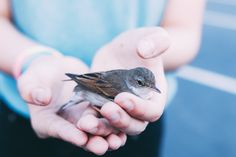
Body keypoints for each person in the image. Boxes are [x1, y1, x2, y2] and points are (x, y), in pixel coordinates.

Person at [0, 0, 205, 156]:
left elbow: (185, 29)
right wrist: (32, 59)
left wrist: (149, 50)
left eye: (151, 86)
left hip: (136, 131)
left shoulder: (135, 93)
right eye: (144, 84)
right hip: (23, 113)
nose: (151, 88)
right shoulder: (121, 89)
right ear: (133, 82)